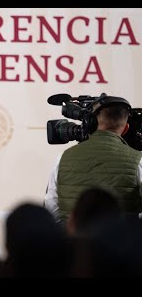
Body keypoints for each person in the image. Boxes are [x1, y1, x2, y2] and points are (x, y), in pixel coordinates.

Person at [44, 96, 142, 225]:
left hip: (73, 242)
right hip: (122, 242)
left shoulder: (63, 158)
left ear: (92, 123)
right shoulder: (138, 160)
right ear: (126, 128)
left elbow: (51, 210)